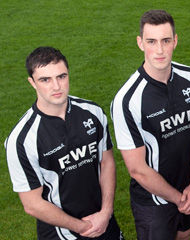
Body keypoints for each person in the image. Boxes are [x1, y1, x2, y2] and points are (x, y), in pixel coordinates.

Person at [5, 46, 123, 239]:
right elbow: (32, 204)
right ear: (32, 83)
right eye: (45, 80)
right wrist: (81, 226)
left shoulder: (92, 113)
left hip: (104, 221)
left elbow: (107, 162)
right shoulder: (22, 140)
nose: (56, 86)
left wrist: (106, 212)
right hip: (61, 232)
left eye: (61, 76)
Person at [111, 9, 190, 240]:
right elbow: (137, 169)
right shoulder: (126, 100)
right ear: (140, 43)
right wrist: (179, 198)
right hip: (153, 202)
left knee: (184, 235)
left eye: (166, 41)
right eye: (151, 41)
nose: (160, 50)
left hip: (188, 187)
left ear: (175, 40)